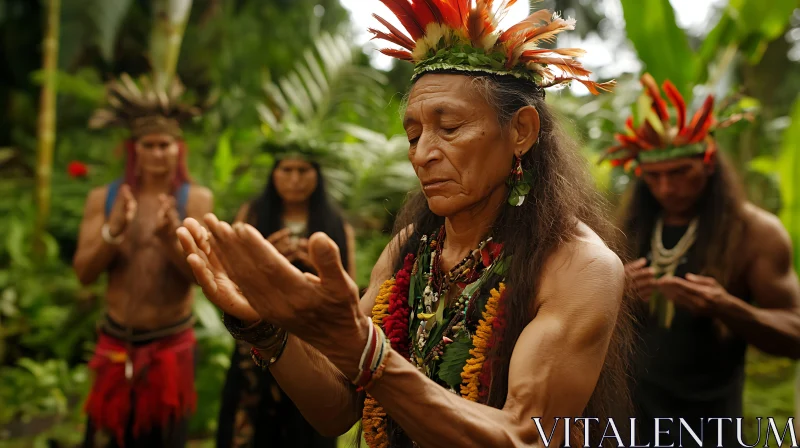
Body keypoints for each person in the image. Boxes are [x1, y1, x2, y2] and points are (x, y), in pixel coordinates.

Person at [179, 2, 634, 447]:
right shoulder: (409, 249)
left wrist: (369, 358)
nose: (422, 153)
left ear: (521, 131)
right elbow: (337, 409)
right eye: (413, 135)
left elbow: (524, 437)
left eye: (450, 128)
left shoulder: (579, 266)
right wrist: (263, 327)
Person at [601, 73, 800, 447]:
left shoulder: (755, 233)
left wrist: (727, 307)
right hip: (627, 417)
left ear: (708, 165)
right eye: (654, 177)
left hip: (712, 423)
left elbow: (795, 332)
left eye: (680, 173)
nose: (666, 188)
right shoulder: (626, 228)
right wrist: (616, 292)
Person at [73, 73, 214, 448]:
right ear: (134, 150)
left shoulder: (195, 201)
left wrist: (171, 239)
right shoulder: (103, 200)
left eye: (164, 145)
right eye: (148, 145)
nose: (157, 153)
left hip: (170, 350)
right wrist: (113, 230)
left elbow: (203, 278)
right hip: (115, 346)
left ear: (177, 149)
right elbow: (84, 274)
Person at [216, 155, 355, 448]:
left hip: (313, 343)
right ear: (273, 174)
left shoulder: (335, 222)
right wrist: (263, 257)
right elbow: (227, 277)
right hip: (257, 340)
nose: (294, 179)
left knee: (306, 429)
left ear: (316, 175)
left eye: (303, 170)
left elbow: (349, 291)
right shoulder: (253, 214)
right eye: (286, 170)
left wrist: (320, 269)